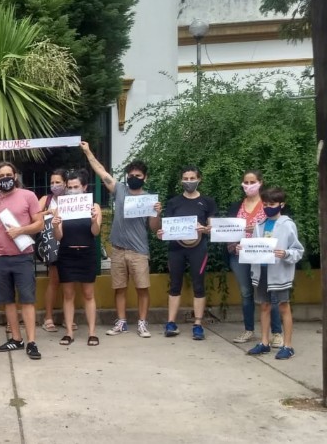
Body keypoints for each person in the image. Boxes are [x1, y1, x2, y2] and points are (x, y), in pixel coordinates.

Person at [81, 143, 161, 338]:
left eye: (138, 176)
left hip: (139, 251)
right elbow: (101, 172)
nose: (134, 179)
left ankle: (142, 323)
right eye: (131, 175)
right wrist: (88, 151)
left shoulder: (149, 198)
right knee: (120, 288)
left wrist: (157, 213)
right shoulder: (119, 190)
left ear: (145, 178)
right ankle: (121, 322)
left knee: (142, 288)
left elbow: (154, 227)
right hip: (117, 249)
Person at [0, 162, 44, 360]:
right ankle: (16, 339)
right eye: (2, 175)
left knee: (27, 299)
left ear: (15, 176)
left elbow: (39, 224)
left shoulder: (28, 196)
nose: (6, 178)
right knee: (7, 300)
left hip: (22, 256)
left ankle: (32, 342)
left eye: (9, 174)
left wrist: (21, 230)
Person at [157, 166, 217, 340]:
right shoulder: (173, 202)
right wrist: (161, 233)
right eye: (186, 178)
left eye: (192, 178)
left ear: (199, 179)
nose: (189, 182)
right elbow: (166, 227)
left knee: (199, 285)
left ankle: (198, 324)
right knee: (175, 284)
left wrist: (204, 229)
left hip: (199, 249)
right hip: (176, 249)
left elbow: (212, 229)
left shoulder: (207, 202)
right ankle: (170, 323)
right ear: (181, 180)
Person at [242, 188, 303, 360]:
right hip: (261, 271)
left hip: (279, 272)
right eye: (266, 204)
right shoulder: (259, 226)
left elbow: (297, 250)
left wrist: (285, 254)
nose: (269, 207)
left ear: (281, 205)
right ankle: (264, 342)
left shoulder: (288, 225)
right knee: (264, 306)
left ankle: (288, 345)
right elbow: (254, 247)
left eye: (272, 204)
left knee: (283, 306)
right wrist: (243, 248)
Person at [227, 170, 282, 346]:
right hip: (240, 255)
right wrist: (230, 243)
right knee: (246, 293)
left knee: (269, 294)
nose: (248, 186)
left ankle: (277, 333)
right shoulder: (236, 206)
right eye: (246, 182)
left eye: (252, 182)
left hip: (263, 255)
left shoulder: (268, 205)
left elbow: (277, 228)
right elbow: (228, 231)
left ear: (260, 182)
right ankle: (249, 330)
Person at [51, 169, 103, 346]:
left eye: (76, 186)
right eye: (70, 187)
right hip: (67, 254)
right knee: (68, 294)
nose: (73, 190)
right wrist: (55, 226)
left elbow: (95, 232)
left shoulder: (93, 207)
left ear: (84, 187)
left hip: (87, 253)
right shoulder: (61, 207)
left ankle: (92, 332)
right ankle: (69, 332)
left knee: (88, 294)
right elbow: (59, 237)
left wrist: (94, 219)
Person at [37, 168, 78, 333]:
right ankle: (48, 317)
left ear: (65, 183)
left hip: (70, 243)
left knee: (70, 282)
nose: (54, 185)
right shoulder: (46, 199)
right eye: (52, 182)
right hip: (52, 245)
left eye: (58, 182)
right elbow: (34, 216)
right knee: (53, 280)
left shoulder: (73, 199)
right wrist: (49, 211)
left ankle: (69, 318)